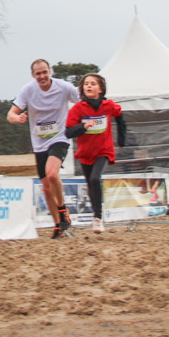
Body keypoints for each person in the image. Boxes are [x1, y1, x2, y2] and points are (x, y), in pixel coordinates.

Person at [8, 60, 80, 238]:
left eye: (44, 72)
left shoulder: (64, 87)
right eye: (38, 74)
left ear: (50, 71)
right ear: (33, 75)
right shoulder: (28, 90)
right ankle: (58, 225)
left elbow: (82, 103)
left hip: (60, 137)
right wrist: (17, 118)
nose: (42, 77)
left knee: (52, 174)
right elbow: (11, 114)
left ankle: (62, 211)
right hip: (39, 143)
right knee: (46, 187)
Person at [63, 73, 127, 233]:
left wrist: (121, 140)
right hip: (85, 153)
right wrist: (83, 127)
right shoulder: (78, 108)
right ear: (82, 89)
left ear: (101, 89)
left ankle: (98, 218)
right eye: (86, 84)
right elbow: (68, 132)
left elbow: (120, 117)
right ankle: (96, 215)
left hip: (103, 151)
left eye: (93, 84)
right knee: (91, 184)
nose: (89, 86)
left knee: (95, 178)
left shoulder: (108, 105)